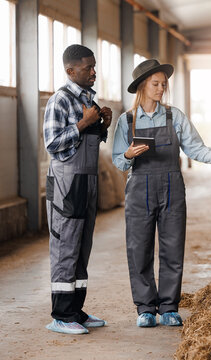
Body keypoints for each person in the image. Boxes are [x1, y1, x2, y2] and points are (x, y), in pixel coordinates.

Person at [112, 59, 211, 327]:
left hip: (171, 188)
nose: (161, 89)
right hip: (138, 189)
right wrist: (127, 154)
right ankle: (145, 308)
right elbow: (118, 160)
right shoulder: (127, 120)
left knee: (172, 247)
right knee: (139, 249)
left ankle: (170, 307)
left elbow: (195, 148)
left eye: (164, 84)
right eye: (156, 84)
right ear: (142, 86)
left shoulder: (174, 116)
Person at [43, 44, 112, 334]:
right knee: (65, 248)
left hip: (88, 182)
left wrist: (102, 125)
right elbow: (53, 144)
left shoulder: (89, 100)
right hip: (66, 185)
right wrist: (84, 123)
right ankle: (61, 316)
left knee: (82, 248)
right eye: (88, 67)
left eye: (94, 66)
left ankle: (76, 311)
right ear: (71, 71)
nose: (94, 72)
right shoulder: (59, 100)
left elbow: (91, 143)